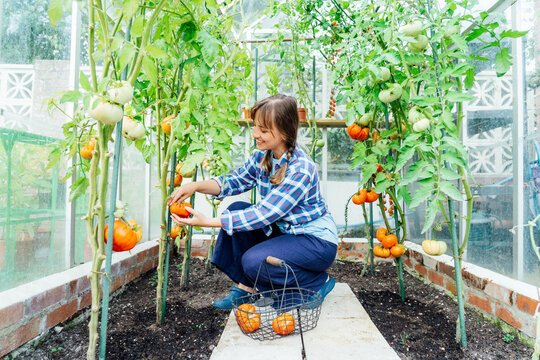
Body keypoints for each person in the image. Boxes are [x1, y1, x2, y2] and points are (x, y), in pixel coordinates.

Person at [168, 94, 338, 309]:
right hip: (287, 232)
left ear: (285, 132)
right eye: (256, 126)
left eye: (264, 130)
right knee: (237, 208)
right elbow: (232, 182)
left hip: (315, 243)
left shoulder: (301, 169)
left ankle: (315, 283)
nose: (256, 134)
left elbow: (264, 214)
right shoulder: (261, 157)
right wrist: (194, 186)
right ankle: (245, 289)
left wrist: (207, 221)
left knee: (254, 261)